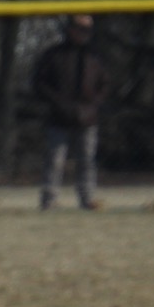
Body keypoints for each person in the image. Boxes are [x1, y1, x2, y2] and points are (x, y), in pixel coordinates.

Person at [31, 14, 107, 210]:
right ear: (70, 29)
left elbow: (105, 85)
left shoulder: (95, 56)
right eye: (80, 28)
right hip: (59, 115)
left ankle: (87, 198)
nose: (84, 34)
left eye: (88, 29)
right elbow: (40, 83)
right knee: (55, 159)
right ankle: (49, 199)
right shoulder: (54, 55)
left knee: (87, 160)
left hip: (88, 116)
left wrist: (93, 105)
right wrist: (59, 104)